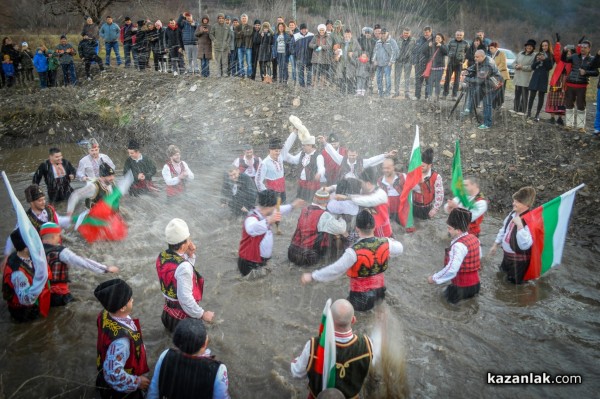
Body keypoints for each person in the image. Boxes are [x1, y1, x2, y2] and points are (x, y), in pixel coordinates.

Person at [301, 210, 403, 311]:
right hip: (380, 293)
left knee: (346, 317)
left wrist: (313, 276)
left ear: (357, 229)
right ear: (374, 226)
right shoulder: (386, 242)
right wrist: (391, 240)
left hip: (360, 297)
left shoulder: (353, 252)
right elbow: (400, 248)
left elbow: (336, 270)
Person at [291, 299, 373, 398]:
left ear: (329, 320)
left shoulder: (313, 346)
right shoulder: (368, 345)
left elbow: (297, 373)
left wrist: (294, 360)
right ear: (353, 320)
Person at [147, 318, 230, 399]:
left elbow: (154, 390)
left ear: (176, 341)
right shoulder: (218, 369)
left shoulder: (166, 355)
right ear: (204, 344)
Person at [156, 218, 215, 332]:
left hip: (167, 313)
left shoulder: (162, 256)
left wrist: (190, 255)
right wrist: (202, 314)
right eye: (188, 239)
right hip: (181, 319)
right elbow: (185, 298)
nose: (190, 241)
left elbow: (178, 273)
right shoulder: (183, 267)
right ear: (183, 245)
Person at [94, 279, 150, 398]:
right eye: (130, 299)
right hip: (119, 391)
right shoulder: (122, 343)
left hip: (104, 369)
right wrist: (137, 382)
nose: (133, 300)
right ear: (123, 308)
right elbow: (113, 374)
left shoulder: (105, 313)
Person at [40, 222, 118, 306]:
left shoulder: (35, 251)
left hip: (41, 294)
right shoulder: (61, 252)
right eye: (59, 235)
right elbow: (82, 262)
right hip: (59, 294)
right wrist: (105, 269)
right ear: (54, 236)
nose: (59, 238)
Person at [238, 190, 304, 276]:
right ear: (269, 207)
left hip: (260, 260)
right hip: (249, 263)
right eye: (275, 206)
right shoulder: (251, 218)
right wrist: (269, 220)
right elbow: (251, 229)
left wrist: (293, 206)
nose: (276, 208)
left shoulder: (266, 211)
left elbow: (280, 209)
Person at [428, 208, 481, 304]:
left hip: (461, 287)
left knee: (445, 304)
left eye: (450, 228)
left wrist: (434, 278)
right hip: (476, 285)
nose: (448, 231)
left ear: (459, 230)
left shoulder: (458, 246)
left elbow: (452, 269)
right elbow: (479, 256)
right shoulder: (475, 239)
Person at [2, 229, 51, 322]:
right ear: (25, 248)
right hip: (23, 311)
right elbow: (25, 300)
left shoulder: (25, 256)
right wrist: (40, 285)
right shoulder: (18, 274)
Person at [489, 187, 536, 284]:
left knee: (515, 286)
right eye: (514, 201)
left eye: (517, 202)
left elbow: (525, 245)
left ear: (526, 204)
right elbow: (504, 229)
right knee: (501, 276)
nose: (513, 203)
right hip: (506, 257)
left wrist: (520, 225)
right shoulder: (512, 214)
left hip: (519, 262)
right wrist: (495, 244)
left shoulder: (530, 220)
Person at [288, 190, 347, 266]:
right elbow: (342, 229)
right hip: (308, 257)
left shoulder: (304, 210)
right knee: (336, 235)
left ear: (314, 199)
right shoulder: (324, 215)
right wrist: (342, 219)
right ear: (326, 203)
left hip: (292, 253)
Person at [461, 49, 503, 130]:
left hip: (494, 84)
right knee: (476, 95)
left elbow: (478, 80)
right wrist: (466, 71)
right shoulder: (481, 60)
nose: (475, 58)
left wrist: (466, 79)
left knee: (487, 103)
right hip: (486, 82)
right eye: (474, 57)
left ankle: (487, 123)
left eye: (477, 57)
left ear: (483, 56)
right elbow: (474, 67)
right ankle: (470, 110)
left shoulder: (487, 65)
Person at [319, 136, 390, 182]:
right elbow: (333, 153)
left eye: (353, 155)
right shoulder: (342, 160)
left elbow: (372, 160)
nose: (352, 157)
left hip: (357, 186)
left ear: (357, 154)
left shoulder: (361, 162)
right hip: (344, 185)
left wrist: (385, 155)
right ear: (347, 154)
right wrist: (325, 142)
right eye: (350, 155)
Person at [562, 40, 597, 132]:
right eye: (582, 47)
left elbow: (596, 72)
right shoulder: (574, 56)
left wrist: (586, 72)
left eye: (585, 47)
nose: (583, 49)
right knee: (569, 104)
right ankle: (569, 125)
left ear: (589, 49)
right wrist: (564, 51)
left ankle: (581, 127)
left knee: (581, 105)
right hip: (570, 84)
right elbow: (564, 59)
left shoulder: (593, 59)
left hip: (582, 86)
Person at [285, 120, 325, 202]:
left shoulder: (318, 156)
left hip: (312, 185)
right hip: (301, 184)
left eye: (305, 145)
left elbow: (322, 168)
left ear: (310, 145)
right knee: (301, 202)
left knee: (310, 202)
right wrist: (284, 154)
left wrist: (319, 173)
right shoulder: (302, 153)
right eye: (303, 145)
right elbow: (293, 160)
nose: (303, 147)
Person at [255, 135, 295, 203]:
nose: (278, 153)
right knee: (274, 212)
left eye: (279, 151)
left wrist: (294, 133)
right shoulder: (264, 163)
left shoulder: (280, 156)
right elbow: (258, 180)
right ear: (270, 150)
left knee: (282, 209)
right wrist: (266, 193)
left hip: (282, 191)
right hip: (272, 194)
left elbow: (287, 144)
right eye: (276, 151)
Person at [412, 148, 443, 220]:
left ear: (429, 165)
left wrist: (435, 209)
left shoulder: (436, 177)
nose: (420, 168)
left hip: (426, 208)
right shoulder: (414, 173)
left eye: (423, 166)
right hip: (413, 206)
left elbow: (440, 194)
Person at [527, 40, 554, 121]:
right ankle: (528, 113)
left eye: (546, 45)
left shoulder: (551, 55)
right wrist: (538, 61)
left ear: (548, 46)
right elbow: (533, 67)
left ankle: (537, 114)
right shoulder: (538, 54)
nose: (544, 47)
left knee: (541, 96)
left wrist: (545, 59)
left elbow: (550, 67)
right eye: (543, 46)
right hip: (535, 76)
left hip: (544, 77)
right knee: (532, 95)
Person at [511, 39, 536, 115]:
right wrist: (516, 66)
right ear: (525, 47)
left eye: (531, 46)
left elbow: (532, 67)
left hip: (526, 79)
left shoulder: (534, 56)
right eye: (528, 46)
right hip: (518, 78)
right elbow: (513, 62)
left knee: (524, 96)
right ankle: (515, 109)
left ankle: (522, 111)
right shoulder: (520, 53)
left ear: (533, 48)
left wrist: (522, 67)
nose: (529, 47)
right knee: (517, 95)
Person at [377, 158, 406, 224]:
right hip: (388, 211)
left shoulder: (402, 177)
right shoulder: (380, 181)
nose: (385, 170)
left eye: (388, 168)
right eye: (384, 168)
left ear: (393, 167)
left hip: (401, 210)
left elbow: (412, 187)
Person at [372, 28, 398, 98]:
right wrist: (374, 60)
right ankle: (380, 92)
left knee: (387, 78)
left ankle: (387, 93)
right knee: (378, 78)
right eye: (382, 33)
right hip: (379, 63)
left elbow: (394, 52)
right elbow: (375, 51)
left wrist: (391, 61)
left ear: (387, 33)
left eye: (384, 33)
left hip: (387, 63)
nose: (383, 35)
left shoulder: (391, 41)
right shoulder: (378, 42)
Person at [443, 30, 468, 99]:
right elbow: (447, 51)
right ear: (455, 35)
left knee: (456, 80)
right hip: (450, 63)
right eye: (457, 35)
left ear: (463, 36)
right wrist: (450, 55)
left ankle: (454, 95)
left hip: (459, 64)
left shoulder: (465, 43)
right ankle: (445, 94)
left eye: (460, 35)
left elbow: (467, 53)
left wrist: (463, 60)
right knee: (447, 79)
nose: (459, 36)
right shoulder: (451, 42)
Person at [394, 27, 415, 99]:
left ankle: (407, 93)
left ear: (410, 33)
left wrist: (413, 59)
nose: (405, 34)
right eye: (404, 33)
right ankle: (396, 92)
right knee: (397, 77)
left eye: (407, 33)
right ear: (402, 33)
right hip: (399, 60)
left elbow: (415, 50)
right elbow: (394, 49)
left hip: (408, 61)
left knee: (407, 78)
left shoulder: (413, 40)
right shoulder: (398, 39)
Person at [426, 33, 448, 101]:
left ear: (442, 39)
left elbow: (447, 52)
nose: (437, 39)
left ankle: (436, 96)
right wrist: (428, 46)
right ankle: (429, 96)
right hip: (432, 67)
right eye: (436, 37)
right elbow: (425, 53)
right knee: (430, 82)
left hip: (440, 67)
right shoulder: (432, 45)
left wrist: (441, 46)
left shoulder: (443, 45)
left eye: (439, 38)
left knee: (437, 83)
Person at [413, 26, 433, 100]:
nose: (426, 34)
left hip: (428, 64)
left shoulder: (434, 40)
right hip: (419, 63)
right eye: (424, 32)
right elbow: (415, 51)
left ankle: (427, 96)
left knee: (428, 81)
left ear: (430, 32)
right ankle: (417, 96)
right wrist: (415, 61)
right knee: (418, 81)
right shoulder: (419, 40)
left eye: (427, 32)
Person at [489, 42, 510, 109]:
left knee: (501, 90)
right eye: (489, 48)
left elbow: (503, 64)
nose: (490, 50)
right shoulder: (491, 55)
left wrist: (495, 70)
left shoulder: (501, 54)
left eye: (492, 48)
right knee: (494, 89)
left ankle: (500, 104)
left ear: (496, 48)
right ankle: (494, 104)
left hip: (502, 75)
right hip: (494, 76)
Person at [292, 23, 314, 87]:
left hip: (309, 56)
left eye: (305, 29)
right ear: (300, 29)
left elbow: (315, 44)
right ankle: (302, 85)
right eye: (302, 29)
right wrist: (295, 53)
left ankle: (309, 84)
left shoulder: (311, 35)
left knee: (309, 72)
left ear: (307, 29)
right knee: (300, 72)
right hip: (299, 57)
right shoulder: (296, 36)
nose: (304, 30)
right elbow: (291, 45)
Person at [210, 13, 232, 78]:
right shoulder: (214, 26)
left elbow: (230, 36)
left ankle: (225, 73)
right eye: (220, 18)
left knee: (225, 61)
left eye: (222, 18)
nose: (221, 19)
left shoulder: (227, 26)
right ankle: (218, 73)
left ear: (224, 19)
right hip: (217, 47)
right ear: (218, 19)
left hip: (225, 47)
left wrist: (227, 43)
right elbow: (211, 34)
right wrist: (215, 41)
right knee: (218, 61)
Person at [236, 13, 254, 78]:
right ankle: (242, 74)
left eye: (245, 18)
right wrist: (242, 33)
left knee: (249, 62)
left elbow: (249, 33)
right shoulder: (237, 27)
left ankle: (249, 75)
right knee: (240, 62)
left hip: (248, 46)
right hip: (240, 46)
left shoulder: (250, 27)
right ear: (241, 19)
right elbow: (236, 35)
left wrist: (240, 33)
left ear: (247, 19)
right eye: (243, 18)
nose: (244, 20)